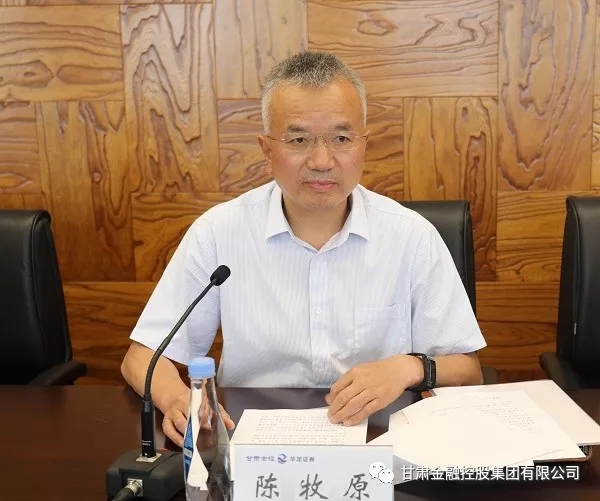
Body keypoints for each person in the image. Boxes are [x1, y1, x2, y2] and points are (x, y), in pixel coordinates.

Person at [121, 50, 487, 448]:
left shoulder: (412, 236)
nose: (322, 160)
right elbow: (142, 359)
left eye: (341, 138)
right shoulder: (218, 233)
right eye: (298, 140)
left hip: (379, 444)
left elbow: (468, 371)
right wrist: (177, 399)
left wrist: (407, 368)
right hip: (252, 444)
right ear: (267, 149)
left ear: (364, 144)